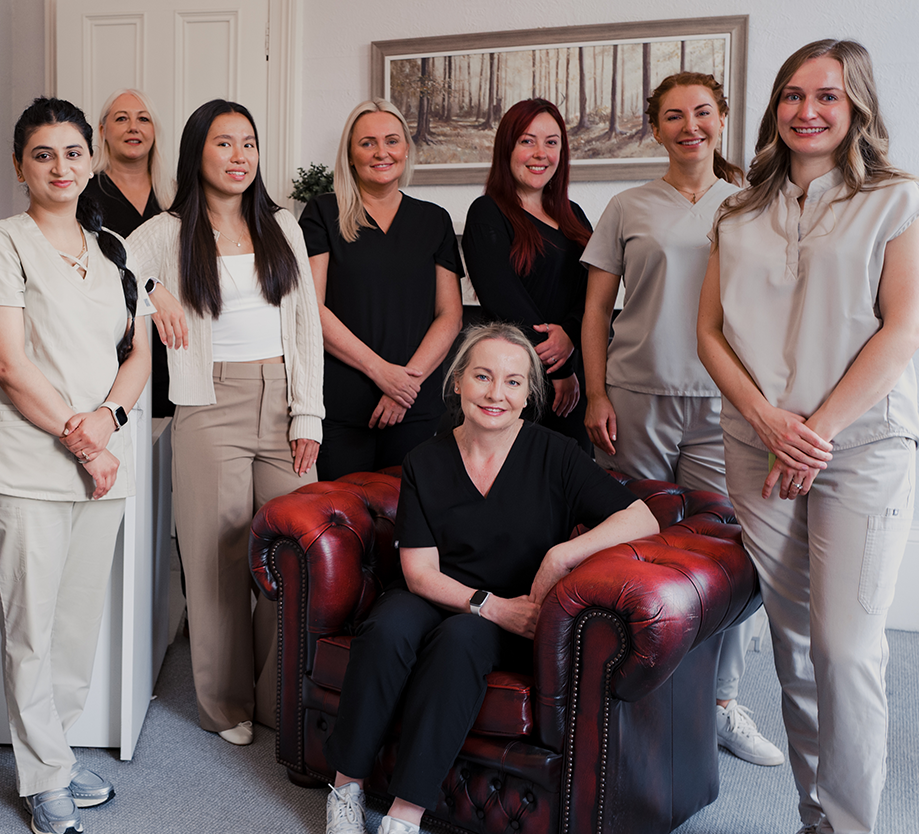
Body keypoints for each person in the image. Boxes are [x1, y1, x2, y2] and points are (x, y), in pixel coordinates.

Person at [697, 40, 919, 834]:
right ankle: (815, 824)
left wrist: (817, 431)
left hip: (861, 447)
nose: (808, 110)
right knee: (794, 645)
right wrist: (770, 424)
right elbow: (711, 336)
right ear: (775, 110)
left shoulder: (898, 202)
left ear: (856, 107)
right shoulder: (738, 213)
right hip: (758, 448)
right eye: (793, 95)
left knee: (846, 649)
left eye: (827, 96)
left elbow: (902, 331)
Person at [318, 323, 659, 834]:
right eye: (482, 375)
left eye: (512, 380)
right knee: (386, 628)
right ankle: (345, 789)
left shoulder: (557, 454)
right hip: (440, 592)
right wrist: (488, 605)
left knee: (458, 647)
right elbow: (420, 574)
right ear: (458, 383)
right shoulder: (426, 458)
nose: (495, 392)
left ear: (529, 393)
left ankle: (402, 826)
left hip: (506, 615)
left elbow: (643, 519)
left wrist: (562, 554)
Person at [578, 73, 783, 769]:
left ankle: (721, 703)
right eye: (673, 115)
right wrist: (598, 394)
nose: (689, 125)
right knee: (633, 548)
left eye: (702, 112)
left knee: (733, 555)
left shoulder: (754, 205)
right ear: (655, 127)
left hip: (725, 402)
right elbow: (595, 311)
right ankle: (630, 697)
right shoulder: (627, 206)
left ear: (723, 119)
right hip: (636, 396)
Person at [0, 97, 153, 834]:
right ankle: (43, 777)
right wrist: (85, 442)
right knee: (32, 628)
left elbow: (140, 352)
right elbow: (10, 365)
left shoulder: (116, 248)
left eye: (73, 152)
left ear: (92, 160)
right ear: (20, 165)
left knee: (77, 626)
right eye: (43, 154)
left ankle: (62, 751)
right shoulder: (1, 242)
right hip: (30, 465)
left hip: (105, 463)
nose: (60, 166)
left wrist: (108, 421)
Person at [127, 99, 324, 746]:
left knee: (292, 557)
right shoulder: (166, 230)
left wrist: (309, 415)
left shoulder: (283, 227)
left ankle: (275, 697)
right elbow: (109, 266)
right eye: (224, 144)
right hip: (208, 406)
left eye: (249, 144)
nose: (240, 156)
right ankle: (223, 703)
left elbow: (305, 329)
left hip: (284, 401)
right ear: (196, 153)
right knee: (216, 562)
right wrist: (154, 293)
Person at [300, 99, 463, 480]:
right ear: (351, 155)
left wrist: (405, 383)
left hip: (416, 404)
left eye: (392, 141)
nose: (381, 152)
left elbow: (451, 315)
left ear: (406, 148)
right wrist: (380, 373)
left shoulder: (434, 220)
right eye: (367, 143)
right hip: (343, 407)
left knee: (410, 525)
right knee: (342, 526)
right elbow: (311, 307)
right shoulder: (323, 213)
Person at [462, 98, 593, 455]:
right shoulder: (487, 212)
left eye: (551, 142)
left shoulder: (575, 217)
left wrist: (569, 334)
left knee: (573, 491)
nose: (540, 153)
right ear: (507, 148)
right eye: (527, 141)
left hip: (573, 385)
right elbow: (505, 300)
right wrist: (557, 368)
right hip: (514, 386)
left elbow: (594, 294)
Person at [83, 88, 176, 418]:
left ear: (154, 131)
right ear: (103, 130)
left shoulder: (177, 196)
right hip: (113, 338)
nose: (133, 127)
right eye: (121, 119)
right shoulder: (83, 194)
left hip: (173, 340)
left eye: (143, 119)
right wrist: (150, 289)